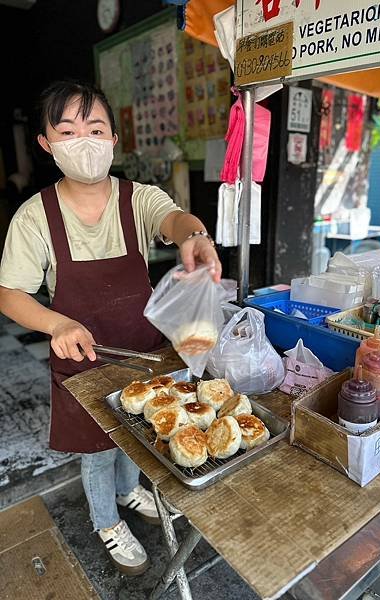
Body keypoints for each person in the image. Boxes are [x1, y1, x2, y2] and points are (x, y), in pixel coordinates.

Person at [0, 81, 222, 576]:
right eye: (68, 130)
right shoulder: (34, 216)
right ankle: (106, 520)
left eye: (95, 128)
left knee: (142, 431)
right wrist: (55, 322)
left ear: (114, 138)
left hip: (141, 349)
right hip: (80, 357)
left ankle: (129, 492)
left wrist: (196, 237)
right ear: (46, 143)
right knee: (98, 447)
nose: (84, 140)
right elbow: (10, 294)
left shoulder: (137, 198)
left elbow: (173, 220)